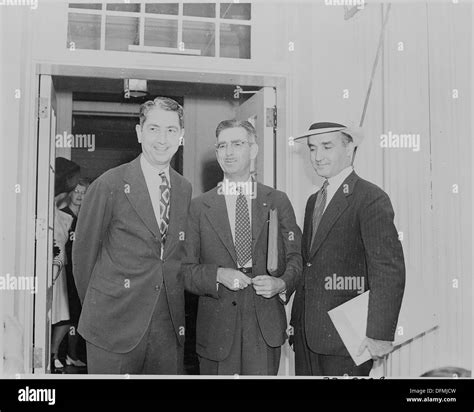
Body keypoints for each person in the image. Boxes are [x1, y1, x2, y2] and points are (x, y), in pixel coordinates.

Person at [72, 97, 192, 374]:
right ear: (139, 133)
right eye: (153, 129)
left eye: (171, 130)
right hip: (112, 325)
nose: (162, 139)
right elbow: (83, 257)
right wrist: (101, 308)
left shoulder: (184, 188)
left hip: (167, 328)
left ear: (181, 136)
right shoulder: (109, 183)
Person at [183, 119, 302, 375]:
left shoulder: (277, 201)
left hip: (264, 327)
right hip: (216, 331)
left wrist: (281, 284)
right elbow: (184, 269)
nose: (229, 152)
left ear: (254, 150)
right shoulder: (198, 207)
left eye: (237, 144)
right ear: (216, 153)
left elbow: (296, 258)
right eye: (222, 146)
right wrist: (217, 275)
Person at [291, 122, 406, 376]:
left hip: (347, 342)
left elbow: (388, 270)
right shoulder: (313, 201)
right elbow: (310, 266)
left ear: (350, 148)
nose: (317, 156)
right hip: (306, 340)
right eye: (312, 148)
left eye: (327, 147)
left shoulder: (370, 197)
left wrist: (379, 334)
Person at [52, 157, 81, 373]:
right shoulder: (54, 211)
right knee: (55, 314)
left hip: (62, 271)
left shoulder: (62, 213)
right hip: (54, 270)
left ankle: (53, 355)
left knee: (64, 315)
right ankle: (52, 356)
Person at [61, 179, 90, 368]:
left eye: (83, 192)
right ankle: (66, 354)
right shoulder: (63, 215)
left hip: (82, 271)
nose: (79, 196)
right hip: (66, 272)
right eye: (76, 191)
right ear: (70, 193)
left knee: (80, 313)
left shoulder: (86, 216)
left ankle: (74, 353)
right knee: (68, 313)